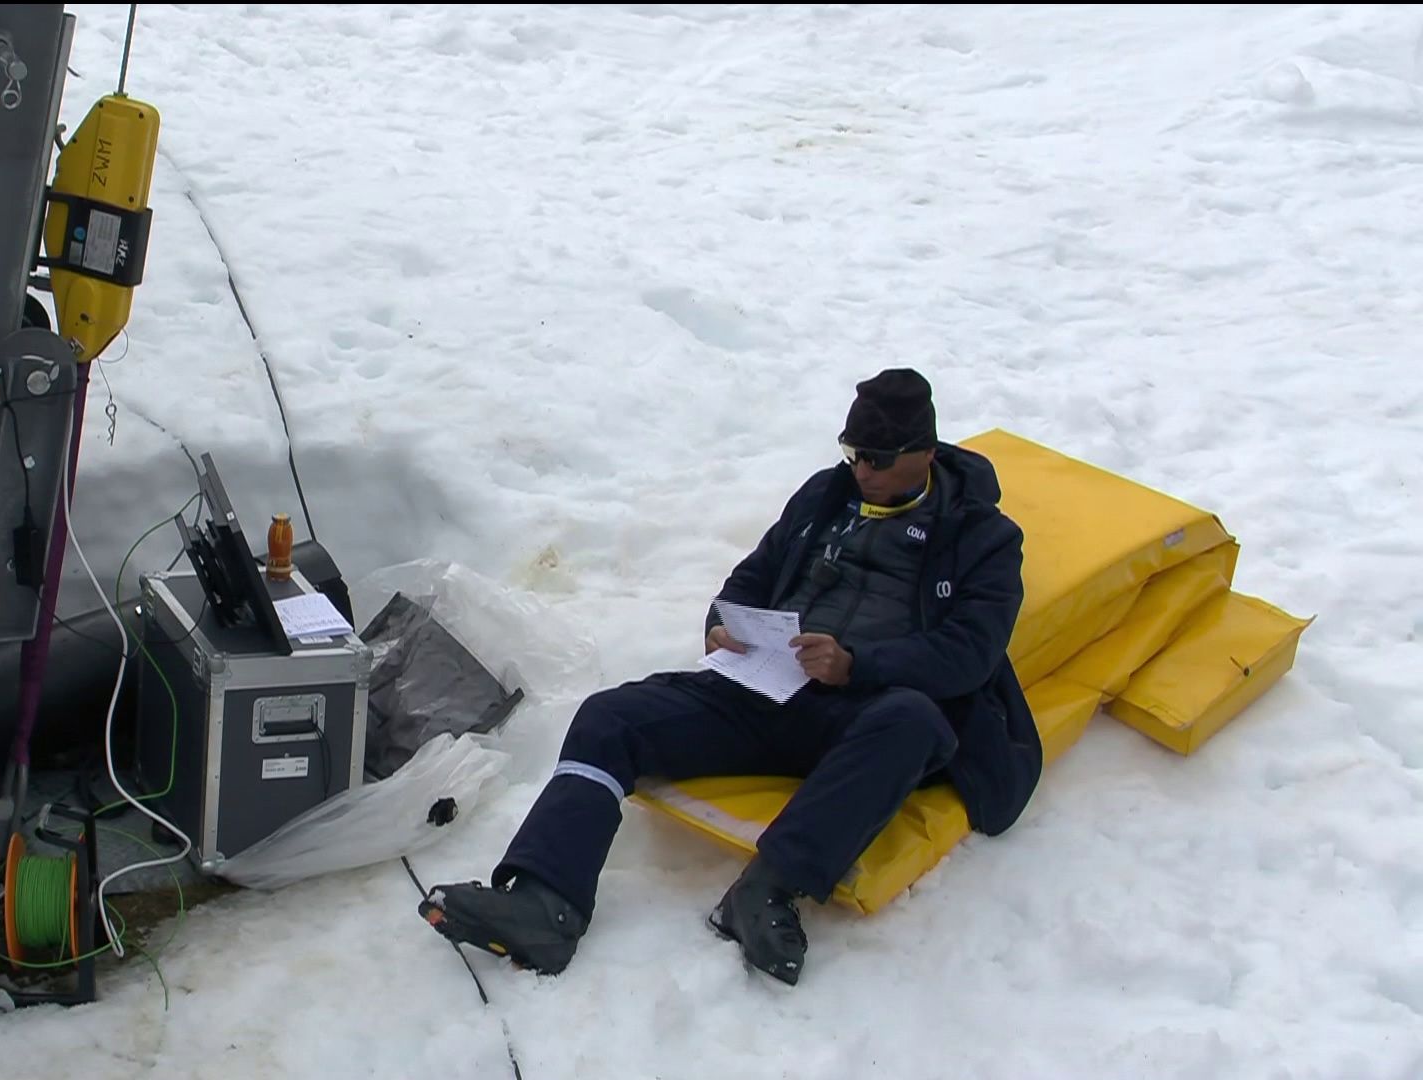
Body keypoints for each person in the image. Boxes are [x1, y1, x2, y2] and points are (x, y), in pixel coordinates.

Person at [417, 368, 1041, 985]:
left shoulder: (981, 536)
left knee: (914, 722)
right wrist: (722, 624)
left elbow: (971, 652)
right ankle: (543, 901)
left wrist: (857, 664)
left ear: (925, 452)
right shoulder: (825, 497)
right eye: (852, 452)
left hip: (862, 713)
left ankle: (766, 891)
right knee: (611, 716)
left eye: (877, 458)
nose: (861, 470)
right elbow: (752, 576)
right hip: (766, 687)